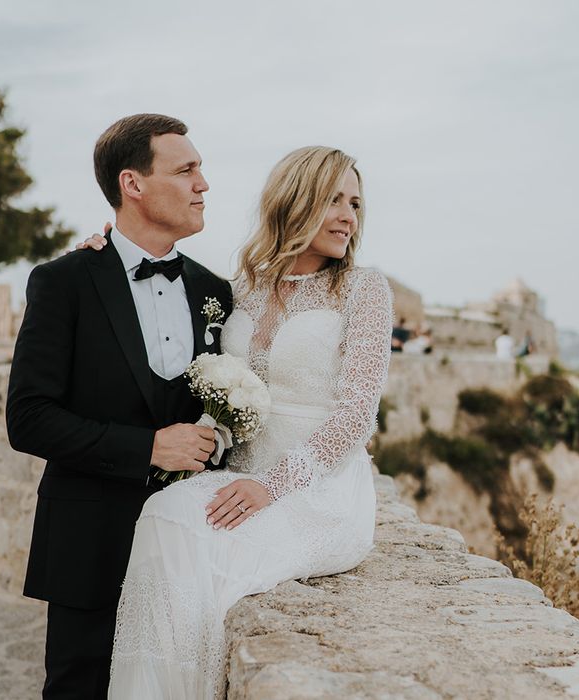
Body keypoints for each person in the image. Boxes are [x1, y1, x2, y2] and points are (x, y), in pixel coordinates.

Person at [80, 146, 393, 698]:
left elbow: (355, 418)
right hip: (238, 474)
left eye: (356, 204)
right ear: (295, 201)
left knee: (200, 548)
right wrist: (99, 256)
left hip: (318, 489)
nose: (349, 216)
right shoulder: (243, 285)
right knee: (163, 516)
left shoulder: (364, 290)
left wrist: (271, 486)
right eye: (334, 200)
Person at [6, 113, 232, 699]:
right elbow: (28, 417)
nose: (203, 184)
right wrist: (149, 447)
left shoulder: (216, 293)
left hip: (189, 548)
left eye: (200, 170)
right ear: (133, 184)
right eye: (185, 170)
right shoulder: (64, 282)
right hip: (88, 541)